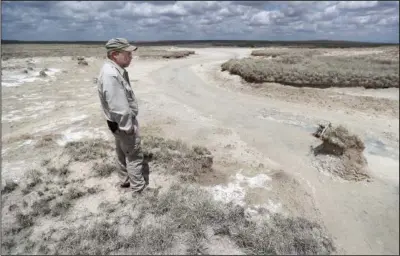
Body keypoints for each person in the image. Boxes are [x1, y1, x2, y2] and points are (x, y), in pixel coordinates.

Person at [97, 38, 148, 194]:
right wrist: (128, 127)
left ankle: (125, 181)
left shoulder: (112, 70)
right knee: (134, 154)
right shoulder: (111, 75)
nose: (131, 56)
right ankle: (139, 190)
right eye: (127, 54)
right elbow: (119, 107)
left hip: (115, 123)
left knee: (121, 151)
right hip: (122, 123)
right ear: (114, 54)